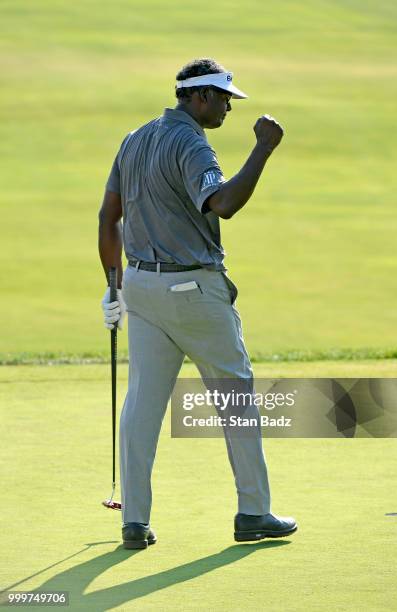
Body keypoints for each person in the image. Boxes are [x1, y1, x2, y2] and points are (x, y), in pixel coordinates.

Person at [98, 58, 297, 549]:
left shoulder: (135, 138)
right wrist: (263, 150)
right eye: (225, 98)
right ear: (200, 97)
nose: (230, 106)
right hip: (194, 292)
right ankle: (254, 512)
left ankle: (134, 522)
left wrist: (114, 284)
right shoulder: (191, 143)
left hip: (141, 287)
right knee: (236, 399)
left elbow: (108, 216)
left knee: (142, 405)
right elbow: (223, 203)